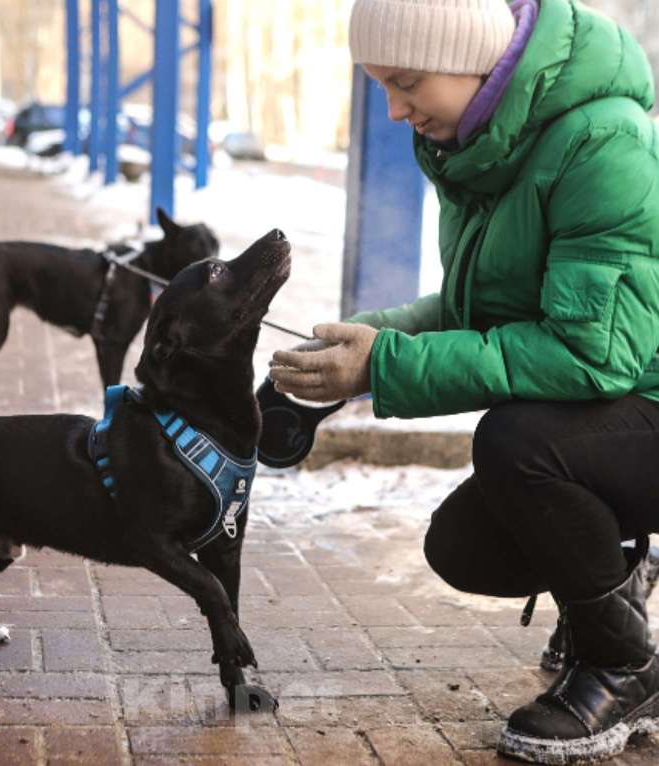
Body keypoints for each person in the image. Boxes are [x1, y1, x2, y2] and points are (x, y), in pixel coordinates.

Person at [269, 0, 659, 763]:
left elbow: (591, 355)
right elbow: (478, 308)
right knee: (465, 548)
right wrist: (369, 341)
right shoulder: (484, 147)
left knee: (517, 443)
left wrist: (384, 367)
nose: (392, 109)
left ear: (477, 59)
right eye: (381, 85)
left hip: (638, 397)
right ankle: (614, 581)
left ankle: (624, 668)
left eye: (406, 81)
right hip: (620, 410)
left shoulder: (603, 141)